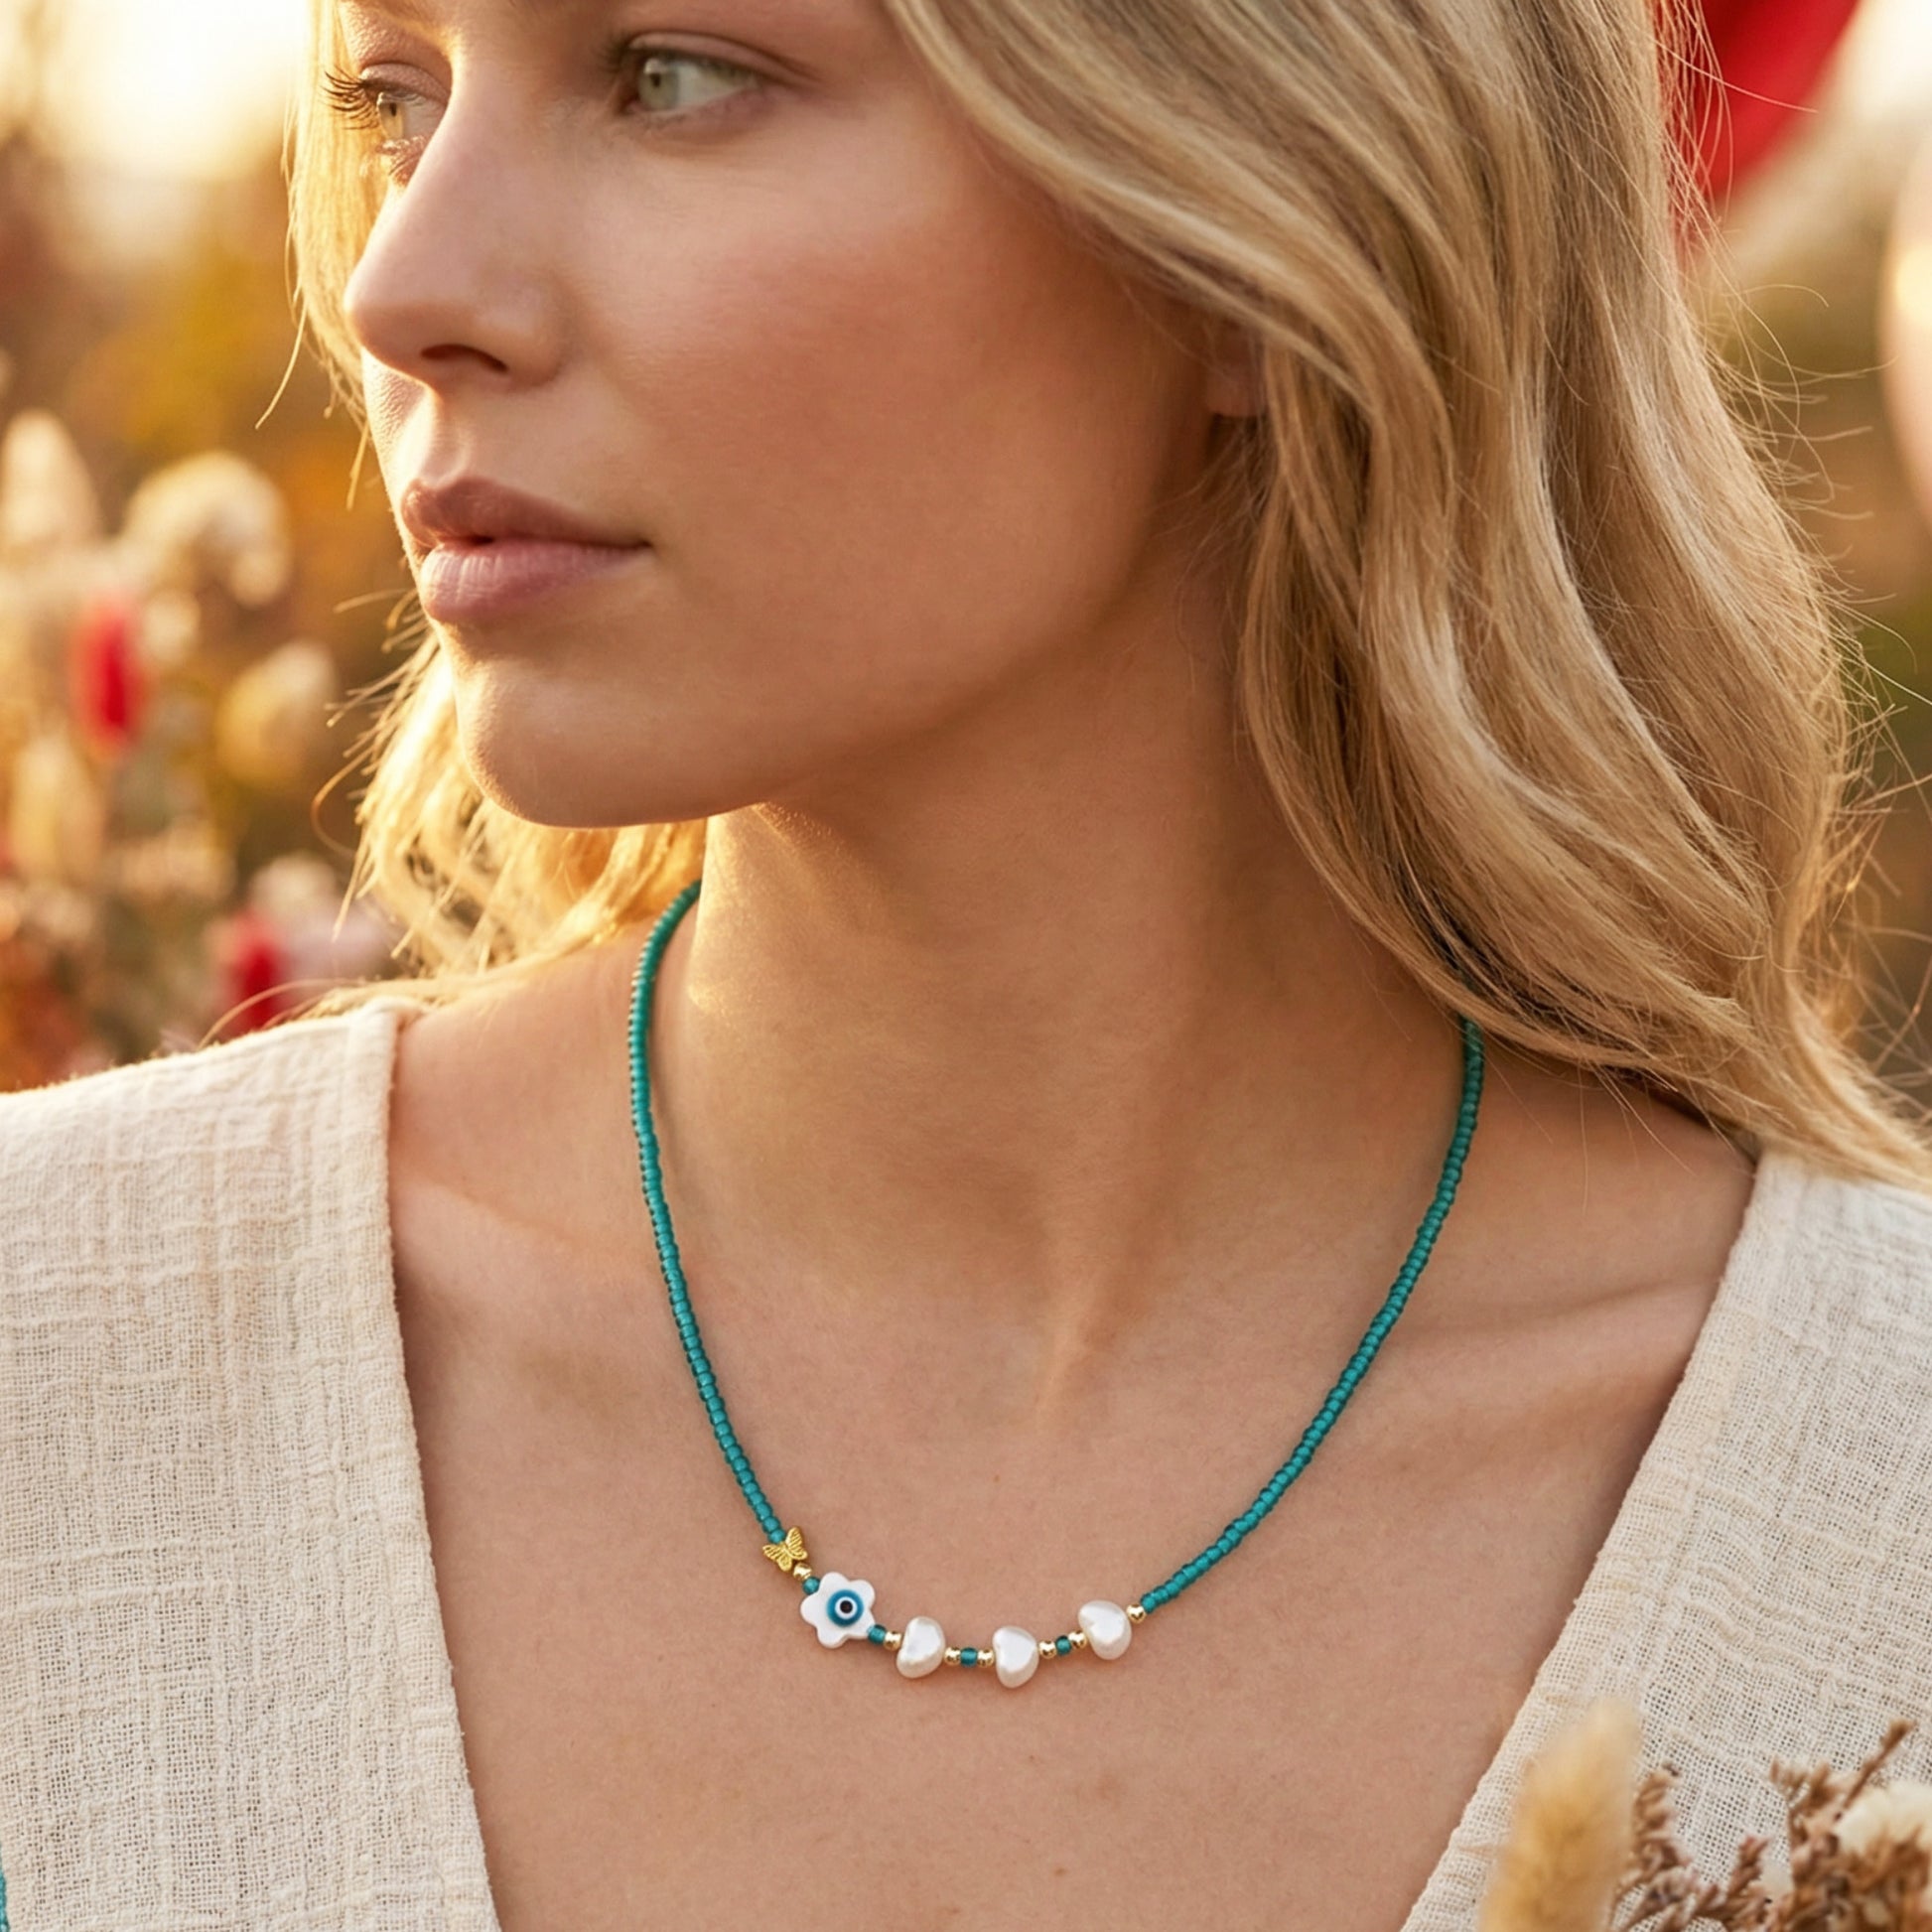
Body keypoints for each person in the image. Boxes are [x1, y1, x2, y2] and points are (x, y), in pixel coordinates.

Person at [4, 0, 1932, 1925]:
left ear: (1265, 232)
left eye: (672, 75)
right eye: (393, 94)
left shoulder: (1875, 1487)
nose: (402, 282)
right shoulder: (67, 1370)